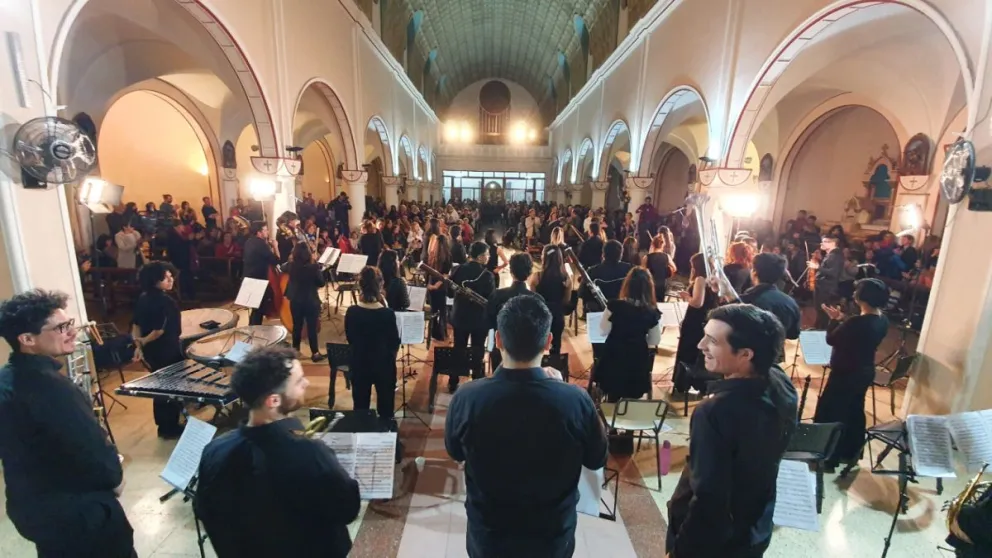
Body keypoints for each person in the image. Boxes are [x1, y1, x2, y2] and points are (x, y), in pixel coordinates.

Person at [445, 295, 609, 558]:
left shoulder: (467, 397)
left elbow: (455, 451)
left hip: (489, 537)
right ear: (548, 342)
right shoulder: (576, 400)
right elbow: (596, 457)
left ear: (498, 340)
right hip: (551, 537)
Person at [0, 290, 133, 558]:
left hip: (34, 510)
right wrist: (114, 476)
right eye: (61, 327)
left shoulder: (6, 379)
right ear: (27, 339)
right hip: (80, 518)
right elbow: (92, 451)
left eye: (69, 323)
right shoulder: (51, 389)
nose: (71, 332)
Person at [195, 345, 361, 557]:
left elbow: (206, 512)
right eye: (299, 381)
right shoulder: (311, 454)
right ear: (273, 401)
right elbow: (347, 508)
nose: (307, 383)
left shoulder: (214, 450)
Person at [667, 304, 798, 558]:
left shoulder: (715, 412)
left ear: (746, 354)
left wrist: (679, 552)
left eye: (713, 341)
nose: (700, 345)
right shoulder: (782, 383)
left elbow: (709, 499)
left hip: (712, 544)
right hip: (754, 528)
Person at [814, 279, 890, 470]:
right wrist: (842, 319)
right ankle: (850, 452)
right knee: (854, 412)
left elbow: (832, 339)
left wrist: (833, 321)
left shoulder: (857, 322)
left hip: (845, 372)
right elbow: (856, 335)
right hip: (864, 371)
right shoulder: (881, 320)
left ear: (861, 297)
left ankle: (828, 457)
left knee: (833, 412)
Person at [132, 262, 185, 438]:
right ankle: (170, 426)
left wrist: (139, 345)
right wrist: (144, 341)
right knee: (171, 387)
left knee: (160, 387)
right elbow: (158, 331)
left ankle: (163, 425)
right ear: (155, 280)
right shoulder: (165, 301)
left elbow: (136, 324)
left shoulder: (143, 297)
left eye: (171, 277)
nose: (171, 280)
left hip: (153, 352)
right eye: (166, 278)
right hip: (167, 349)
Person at [345, 266, 401, 422]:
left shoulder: (352, 312)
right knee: (386, 409)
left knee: (361, 407)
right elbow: (394, 343)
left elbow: (351, 338)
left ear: (360, 285)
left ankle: (362, 437)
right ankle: (386, 439)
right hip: (383, 365)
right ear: (380, 285)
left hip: (359, 364)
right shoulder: (387, 314)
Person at [596, 267, 662, 401]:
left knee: (612, 395)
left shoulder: (615, 306)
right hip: (637, 359)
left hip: (614, 356)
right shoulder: (651, 312)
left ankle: (610, 418)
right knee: (632, 397)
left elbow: (602, 331)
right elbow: (655, 340)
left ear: (627, 285)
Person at [449, 241, 496, 391]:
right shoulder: (487, 275)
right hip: (479, 320)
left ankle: (453, 380)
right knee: (478, 348)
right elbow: (491, 299)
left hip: (460, 317)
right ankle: (477, 379)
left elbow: (449, 292)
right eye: (487, 255)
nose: (488, 257)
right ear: (481, 256)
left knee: (459, 347)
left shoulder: (458, 269)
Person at [739, 253, 801, 363]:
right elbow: (793, 334)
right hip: (775, 357)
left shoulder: (749, 300)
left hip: (748, 359)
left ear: (754, 272)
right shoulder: (790, 301)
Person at [674, 253, 719, 387]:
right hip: (705, 318)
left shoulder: (700, 279)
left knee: (688, 350)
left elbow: (697, 302)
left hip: (695, 318)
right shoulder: (712, 279)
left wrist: (686, 296)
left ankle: (683, 383)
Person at [486, 253, 537, 370]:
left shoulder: (497, 295)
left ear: (511, 272)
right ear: (529, 273)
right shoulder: (536, 299)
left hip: (501, 349)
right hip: (528, 352)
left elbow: (489, 322)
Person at [285, 243, 326, 362]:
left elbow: (282, 267)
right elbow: (321, 283)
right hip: (310, 300)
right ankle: (315, 353)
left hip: (296, 300)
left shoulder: (291, 266)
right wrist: (317, 266)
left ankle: (295, 351)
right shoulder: (313, 267)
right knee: (312, 327)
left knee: (296, 326)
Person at [530, 245, 572, 355]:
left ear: (544, 258)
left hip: (541, 316)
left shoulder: (536, 277)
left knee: (537, 348)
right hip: (557, 316)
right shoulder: (566, 277)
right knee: (556, 346)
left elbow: (534, 301)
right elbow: (566, 301)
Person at [242, 221, 280, 325]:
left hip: (249, 278)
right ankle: (254, 331)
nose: (267, 232)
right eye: (265, 230)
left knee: (257, 308)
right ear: (259, 232)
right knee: (257, 310)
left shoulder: (249, 241)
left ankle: (256, 328)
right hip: (257, 281)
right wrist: (275, 246)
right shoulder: (260, 244)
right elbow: (276, 260)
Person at [580, 239, 633, 313]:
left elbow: (582, 294)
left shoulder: (592, 271)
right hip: (624, 312)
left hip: (598, 314)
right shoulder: (630, 270)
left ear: (603, 254)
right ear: (621, 254)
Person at [811, 235, 844, 328]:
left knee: (823, 312)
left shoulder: (835, 255)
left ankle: (820, 332)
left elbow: (833, 272)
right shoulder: (831, 255)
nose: (822, 243)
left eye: (825, 241)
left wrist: (817, 267)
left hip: (826, 289)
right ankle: (817, 329)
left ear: (833, 243)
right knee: (820, 312)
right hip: (823, 287)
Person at [642, 234, 675, 302]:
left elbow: (642, 272)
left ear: (652, 244)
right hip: (662, 285)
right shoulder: (667, 256)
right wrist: (666, 272)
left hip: (649, 285)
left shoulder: (647, 257)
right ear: (663, 245)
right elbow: (674, 268)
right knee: (660, 303)